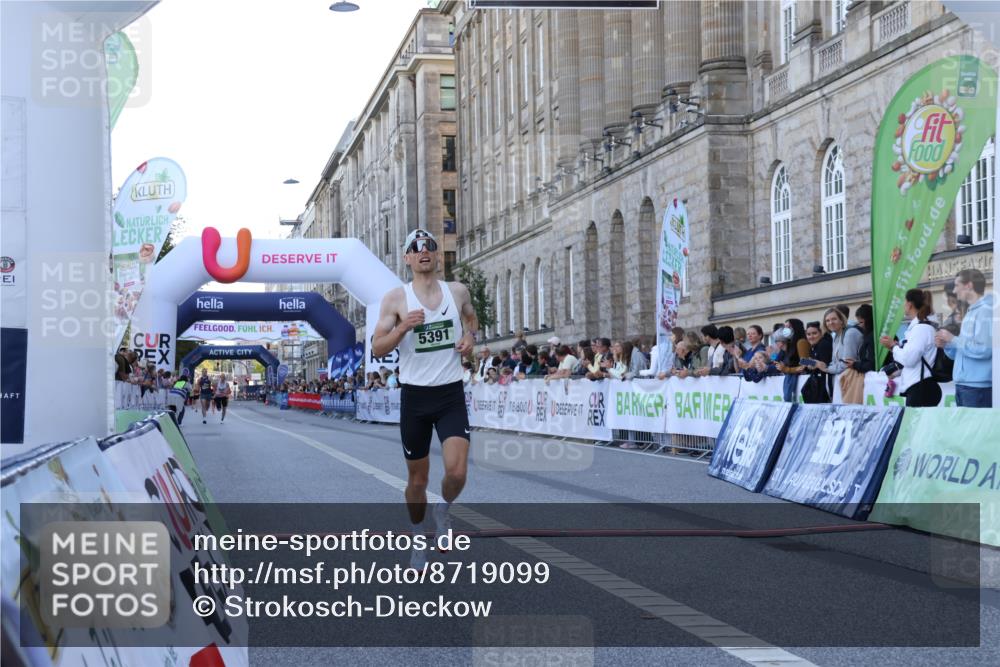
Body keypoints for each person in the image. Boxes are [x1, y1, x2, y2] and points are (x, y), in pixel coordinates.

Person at [370, 228, 478, 572]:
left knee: (457, 472)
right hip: (415, 398)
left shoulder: (457, 291)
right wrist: (402, 328)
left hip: (450, 394)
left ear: (437, 253)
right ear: (407, 258)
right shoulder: (395, 299)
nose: (423, 251)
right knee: (417, 481)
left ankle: (443, 509)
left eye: (429, 245)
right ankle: (418, 537)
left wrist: (470, 337)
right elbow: (377, 347)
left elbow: (471, 318)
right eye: (415, 248)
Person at [937, 269, 993, 407]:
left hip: (977, 388)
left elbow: (985, 350)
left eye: (957, 285)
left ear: (969, 286)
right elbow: (961, 352)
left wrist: (953, 339)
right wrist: (947, 345)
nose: (954, 291)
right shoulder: (971, 311)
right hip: (967, 385)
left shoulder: (985, 311)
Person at [880, 289, 939, 407]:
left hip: (920, 388)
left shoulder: (921, 329)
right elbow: (913, 356)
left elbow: (909, 359)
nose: (903, 305)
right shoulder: (921, 327)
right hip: (920, 386)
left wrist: (893, 347)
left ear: (909, 304)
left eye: (904, 301)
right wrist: (895, 347)